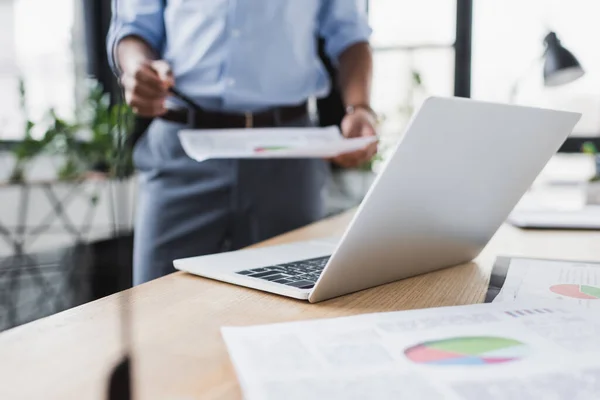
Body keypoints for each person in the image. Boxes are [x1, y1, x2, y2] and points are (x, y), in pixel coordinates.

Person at [107, 0, 377, 285]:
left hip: (288, 155)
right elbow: (132, 28)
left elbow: (351, 34)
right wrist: (137, 67)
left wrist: (359, 107)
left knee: (293, 306)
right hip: (179, 148)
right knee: (158, 304)